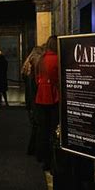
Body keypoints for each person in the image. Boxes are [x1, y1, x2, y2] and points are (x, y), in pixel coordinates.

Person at [34, 35, 59, 172]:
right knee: (53, 129)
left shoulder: (41, 59)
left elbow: (37, 78)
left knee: (42, 129)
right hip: (53, 97)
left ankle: (42, 157)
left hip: (41, 96)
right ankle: (52, 161)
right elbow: (57, 79)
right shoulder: (57, 59)